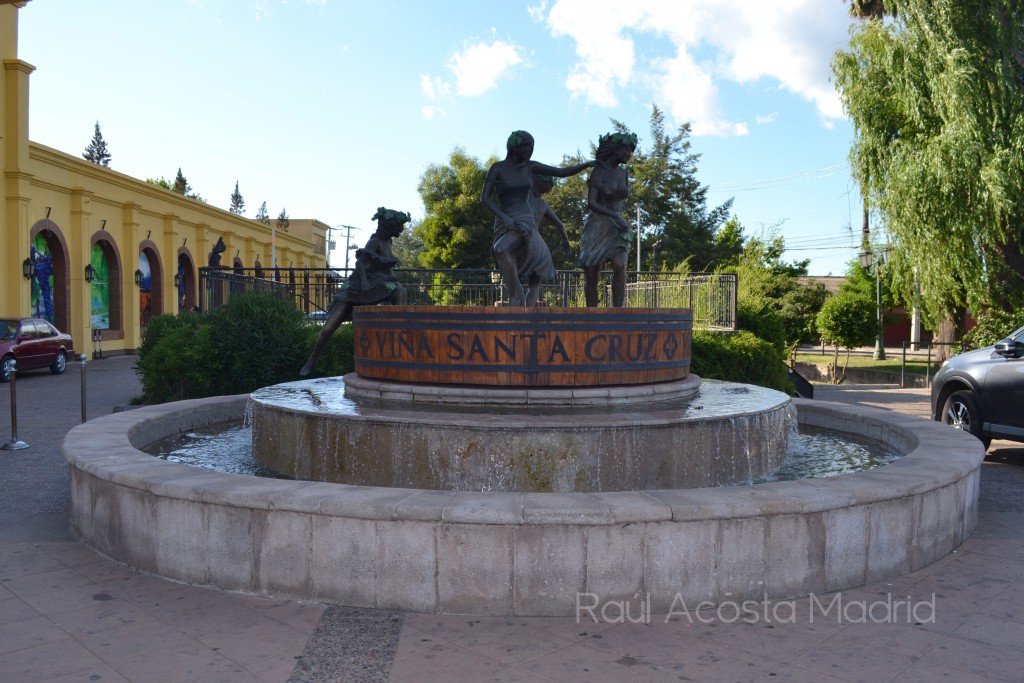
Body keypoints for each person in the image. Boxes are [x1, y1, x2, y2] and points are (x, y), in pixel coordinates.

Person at [480, 130, 592, 307]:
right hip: (503, 221)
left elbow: (562, 172)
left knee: (501, 249)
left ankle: (515, 297)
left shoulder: (531, 167)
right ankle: (519, 300)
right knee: (503, 255)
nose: (529, 150)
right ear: (514, 146)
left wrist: (588, 164)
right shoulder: (498, 168)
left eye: (532, 147)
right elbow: (484, 199)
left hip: (524, 219)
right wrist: (503, 217)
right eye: (526, 146)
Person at [299, 207, 409, 377]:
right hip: (357, 287)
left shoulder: (388, 242)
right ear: (390, 226)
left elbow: (384, 268)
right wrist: (364, 281)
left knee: (400, 292)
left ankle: (400, 342)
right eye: (399, 226)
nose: (401, 229)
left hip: (378, 283)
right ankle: (312, 359)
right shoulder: (375, 242)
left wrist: (394, 281)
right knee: (328, 328)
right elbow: (360, 264)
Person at [578, 131, 638, 308]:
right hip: (597, 223)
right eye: (626, 150)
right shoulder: (599, 171)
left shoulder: (623, 173)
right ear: (615, 150)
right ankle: (592, 314)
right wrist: (613, 214)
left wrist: (615, 210)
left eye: (631, 151)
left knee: (620, 264)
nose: (629, 154)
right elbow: (591, 203)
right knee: (591, 273)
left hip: (617, 225)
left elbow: (620, 195)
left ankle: (618, 311)